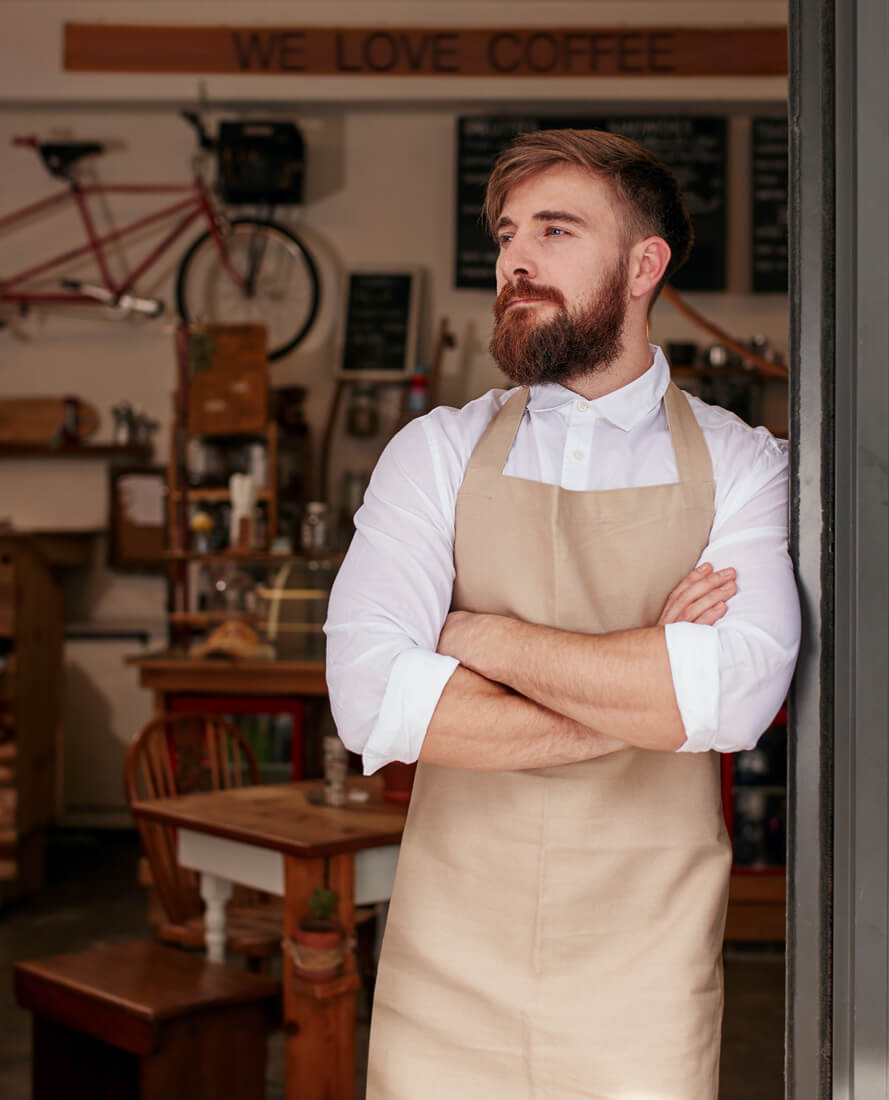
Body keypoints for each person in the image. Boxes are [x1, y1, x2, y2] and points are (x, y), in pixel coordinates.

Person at [324, 128, 800, 1099]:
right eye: (506, 234)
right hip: (445, 966)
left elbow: (733, 699)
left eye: (554, 229)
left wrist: (476, 638)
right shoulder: (435, 452)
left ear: (643, 264)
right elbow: (373, 703)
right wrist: (648, 682)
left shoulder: (745, 463)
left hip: (647, 970)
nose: (514, 260)